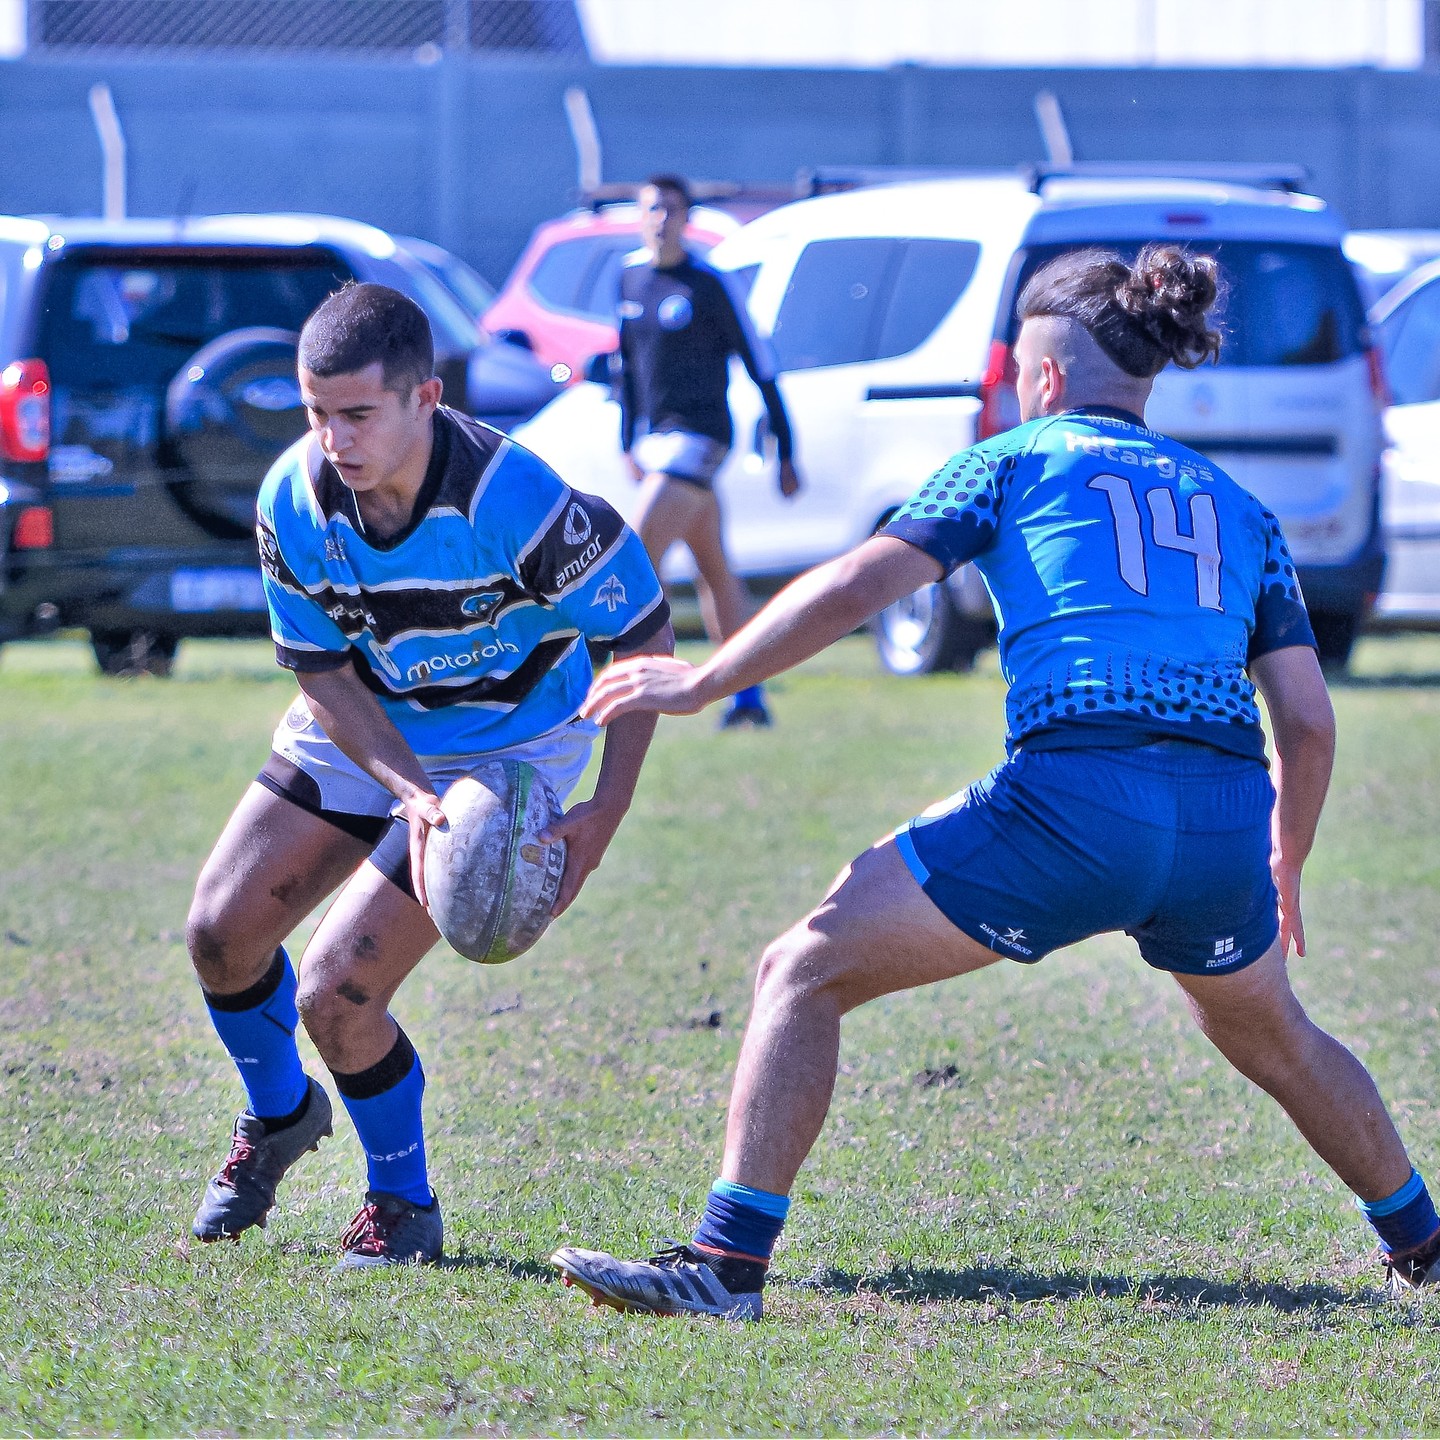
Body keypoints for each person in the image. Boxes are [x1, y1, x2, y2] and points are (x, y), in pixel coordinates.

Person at [551, 244, 1439, 1318]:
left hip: (1076, 801)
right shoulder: (1235, 504)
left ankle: (726, 1266)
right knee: (1272, 1032)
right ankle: (1424, 1243)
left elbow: (858, 582)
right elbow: (1305, 715)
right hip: (1220, 820)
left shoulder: (1016, 456)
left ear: (1047, 374)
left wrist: (705, 679)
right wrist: (1284, 854)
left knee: (805, 969)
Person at [186, 282, 672, 1267]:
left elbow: (643, 632)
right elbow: (317, 665)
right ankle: (278, 1117)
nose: (335, 439)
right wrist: (408, 788)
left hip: (508, 744)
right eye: (317, 413)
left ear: (426, 397)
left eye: (358, 413)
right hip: (366, 714)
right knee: (220, 936)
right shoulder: (292, 498)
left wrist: (607, 805)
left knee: (336, 989)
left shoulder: (513, 499)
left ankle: (403, 1207)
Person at [615, 173, 801, 729]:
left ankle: (637, 684)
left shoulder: (709, 284)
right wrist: (627, 438)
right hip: (656, 443)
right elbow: (627, 368)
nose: (661, 219)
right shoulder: (627, 279)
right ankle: (748, 698)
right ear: (640, 215)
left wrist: (787, 450)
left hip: (703, 438)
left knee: (634, 554)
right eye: (652, 208)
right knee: (713, 571)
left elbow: (761, 366)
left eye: (672, 209)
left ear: (687, 218)